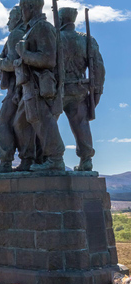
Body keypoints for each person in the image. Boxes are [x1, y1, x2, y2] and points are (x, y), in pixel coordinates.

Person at [14, 0, 66, 171]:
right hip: (28, 86)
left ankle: (55, 158)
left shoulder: (42, 27)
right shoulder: (31, 28)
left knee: (42, 120)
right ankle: (27, 160)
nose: (22, 12)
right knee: (20, 124)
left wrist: (24, 54)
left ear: (30, 7)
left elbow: (49, 59)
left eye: (22, 8)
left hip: (38, 86)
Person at [0, 6, 35, 175]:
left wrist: (0, 61)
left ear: (18, 19)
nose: (8, 22)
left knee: (5, 121)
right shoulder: (27, 33)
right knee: (20, 123)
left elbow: (13, 63)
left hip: (17, 87)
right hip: (23, 87)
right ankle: (25, 160)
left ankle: (7, 162)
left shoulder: (16, 34)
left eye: (10, 18)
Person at [59, 7, 105, 171]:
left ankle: (49, 156)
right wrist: (97, 91)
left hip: (58, 90)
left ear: (61, 19)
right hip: (79, 88)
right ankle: (86, 159)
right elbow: (98, 68)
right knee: (81, 123)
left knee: (46, 122)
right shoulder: (86, 40)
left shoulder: (56, 38)